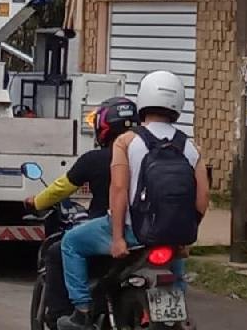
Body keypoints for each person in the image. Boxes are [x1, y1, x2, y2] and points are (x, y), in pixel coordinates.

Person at [58, 72, 208, 330]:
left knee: (70, 243)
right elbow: (203, 197)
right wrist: (185, 236)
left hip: (132, 232)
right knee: (174, 269)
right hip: (171, 235)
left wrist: (117, 238)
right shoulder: (190, 147)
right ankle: (179, 314)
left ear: (144, 100)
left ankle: (82, 311)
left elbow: (118, 190)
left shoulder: (127, 141)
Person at [26, 97, 138, 323]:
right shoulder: (144, 156)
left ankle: (67, 314)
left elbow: (61, 188)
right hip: (143, 231)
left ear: (103, 128)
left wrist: (36, 202)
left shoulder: (95, 159)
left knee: (58, 251)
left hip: (107, 233)